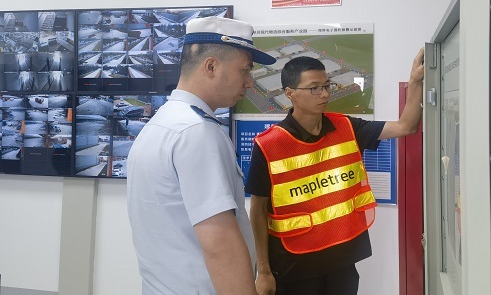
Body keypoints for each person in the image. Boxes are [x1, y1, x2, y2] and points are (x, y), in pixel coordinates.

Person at [246, 49, 424, 295]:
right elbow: (257, 210)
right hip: (292, 267)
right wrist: (263, 271)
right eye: (314, 88)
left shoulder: (347, 127)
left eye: (327, 86)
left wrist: (415, 81)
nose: (325, 94)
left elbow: (406, 126)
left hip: (341, 263)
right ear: (290, 94)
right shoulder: (269, 145)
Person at [127, 16, 276, 295]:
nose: (249, 82)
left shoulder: (162, 124)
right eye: (245, 70)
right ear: (211, 67)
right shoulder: (197, 132)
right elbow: (220, 245)